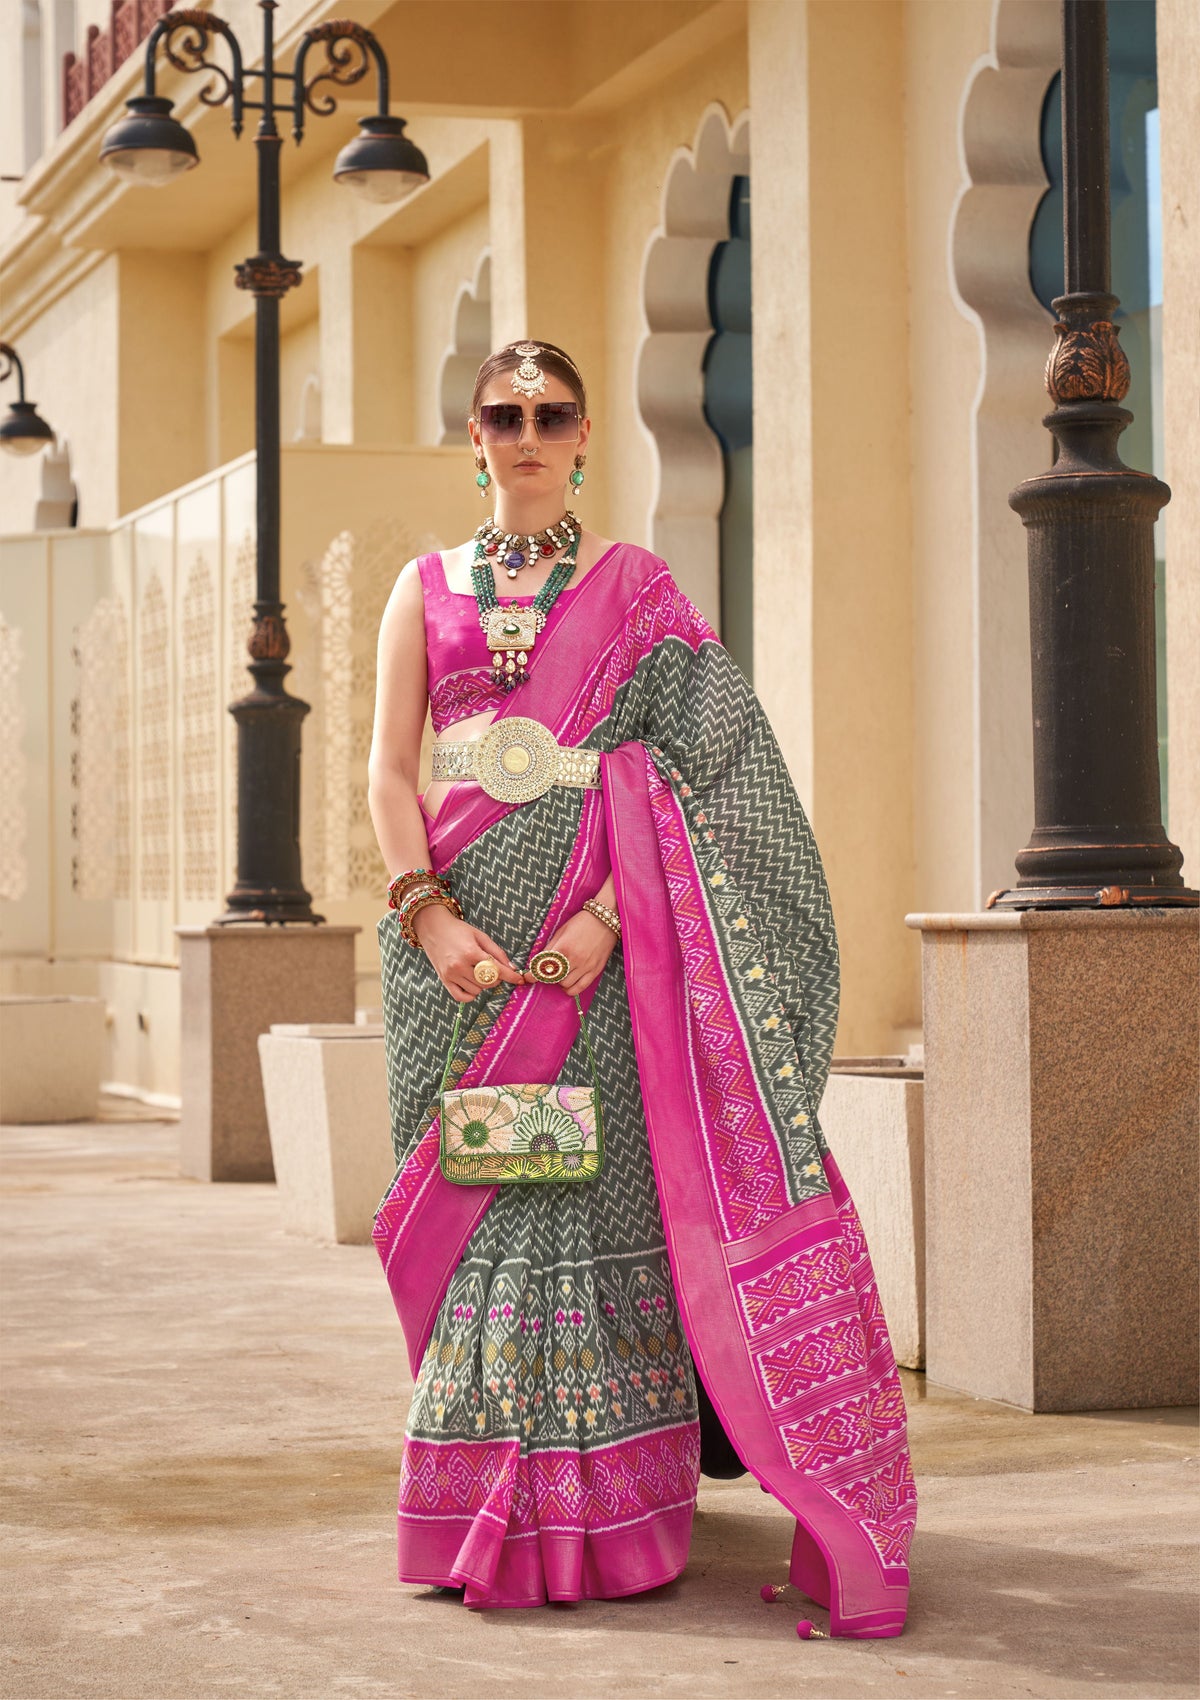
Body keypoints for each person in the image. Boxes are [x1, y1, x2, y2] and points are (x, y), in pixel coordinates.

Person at [367, 339, 916, 1639]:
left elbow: (719, 777)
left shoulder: (636, 592)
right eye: (505, 414)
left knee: (563, 1205)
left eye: (552, 414)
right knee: (481, 1201)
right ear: (475, 434)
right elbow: (391, 772)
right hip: (457, 961)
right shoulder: (422, 588)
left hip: (595, 966)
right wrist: (428, 914)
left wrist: (611, 922)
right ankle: (485, 1498)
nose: (528, 434)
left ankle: (598, 1518)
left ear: (588, 433)